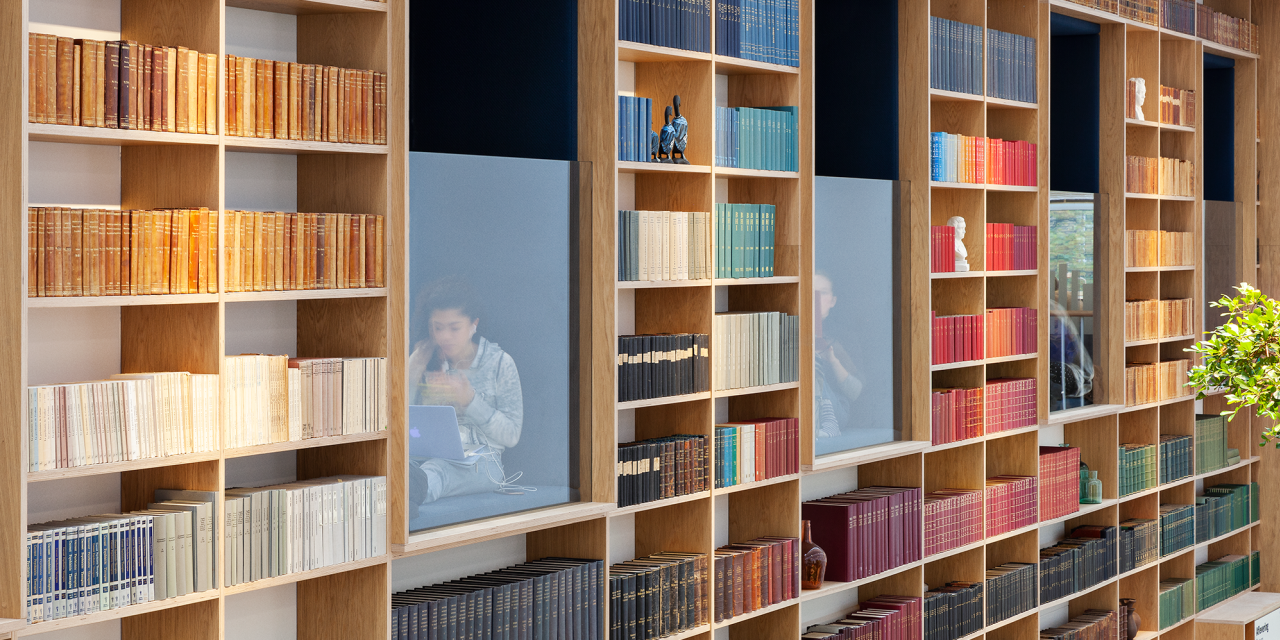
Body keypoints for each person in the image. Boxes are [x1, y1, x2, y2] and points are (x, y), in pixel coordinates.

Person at [406, 276, 526, 516]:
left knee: (438, 470)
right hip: (426, 456)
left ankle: (408, 493)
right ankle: (402, 492)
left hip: (483, 464)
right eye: (437, 327)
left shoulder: (499, 363)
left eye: (454, 327)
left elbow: (511, 435)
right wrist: (411, 372)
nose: (445, 336)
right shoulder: (426, 359)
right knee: (404, 463)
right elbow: (402, 420)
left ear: (473, 324)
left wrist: (469, 400)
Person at [813, 271, 864, 438]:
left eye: (823, 292)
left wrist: (834, 361)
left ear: (833, 300)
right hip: (804, 411)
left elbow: (856, 393)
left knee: (811, 361)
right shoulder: (793, 329)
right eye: (811, 292)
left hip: (836, 413)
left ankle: (829, 424)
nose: (816, 298)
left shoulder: (844, 337)